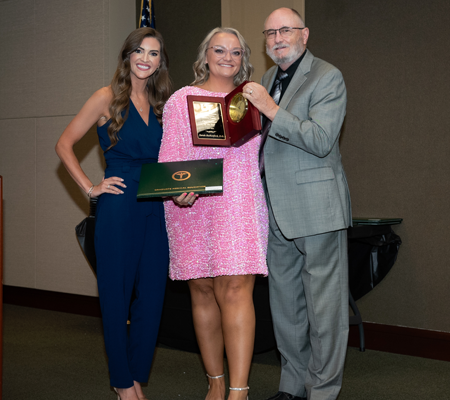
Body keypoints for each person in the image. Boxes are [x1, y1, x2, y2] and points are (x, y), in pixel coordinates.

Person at [55, 27, 172, 400]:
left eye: (153, 54)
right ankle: (123, 384)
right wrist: (90, 187)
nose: (145, 58)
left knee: (152, 298)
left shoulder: (160, 103)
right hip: (119, 206)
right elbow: (64, 144)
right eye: (139, 51)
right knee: (115, 295)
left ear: (159, 63)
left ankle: (135, 375)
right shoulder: (106, 97)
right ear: (127, 55)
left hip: (156, 207)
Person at [242, 8, 352, 400]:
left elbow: (321, 139)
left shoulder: (327, 76)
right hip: (273, 208)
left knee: (325, 310)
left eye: (284, 30)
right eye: (269, 32)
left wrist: (270, 109)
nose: (276, 38)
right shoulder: (270, 78)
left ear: (304, 34)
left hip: (316, 208)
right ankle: (292, 386)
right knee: (285, 307)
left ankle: (322, 391)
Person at [158, 27, 268, 400]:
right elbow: (170, 157)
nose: (227, 57)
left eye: (235, 52)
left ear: (243, 59)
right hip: (192, 205)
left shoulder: (253, 98)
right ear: (205, 55)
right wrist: (177, 191)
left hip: (240, 202)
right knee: (203, 291)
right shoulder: (181, 99)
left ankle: (239, 390)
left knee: (237, 290)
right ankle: (216, 382)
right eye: (219, 50)